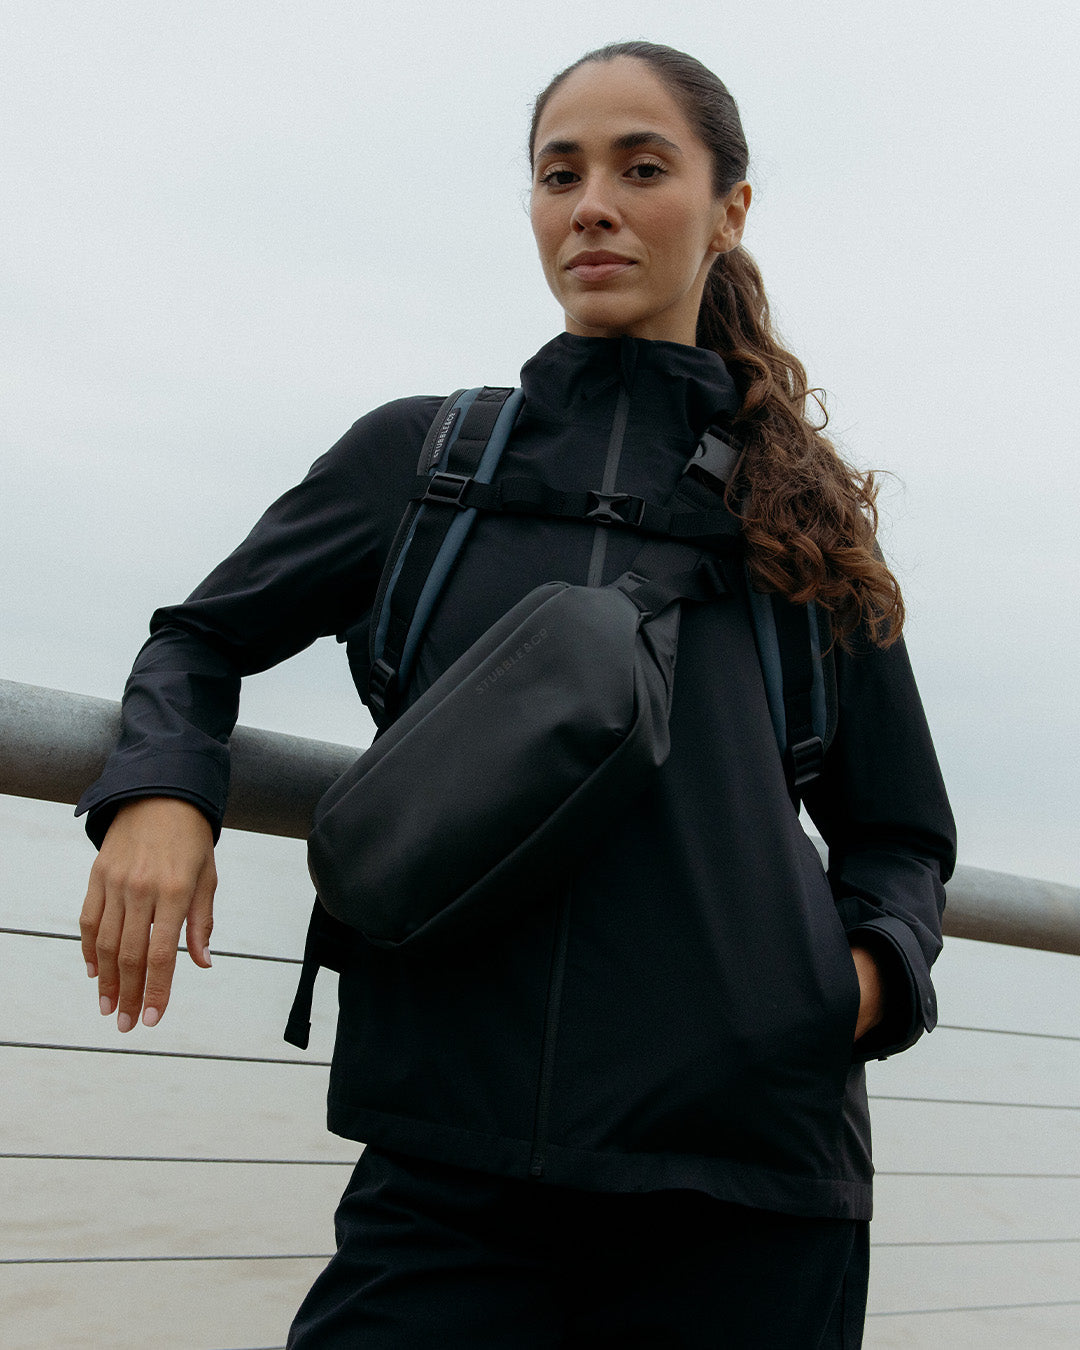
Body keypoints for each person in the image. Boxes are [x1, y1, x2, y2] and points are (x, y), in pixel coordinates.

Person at [77, 40, 955, 1348]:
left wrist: (854, 985)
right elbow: (198, 641)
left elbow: (899, 833)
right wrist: (161, 790)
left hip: (750, 1191)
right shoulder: (425, 464)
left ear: (728, 209)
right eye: (560, 174)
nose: (591, 204)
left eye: (641, 168)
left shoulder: (802, 522)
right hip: (449, 1176)